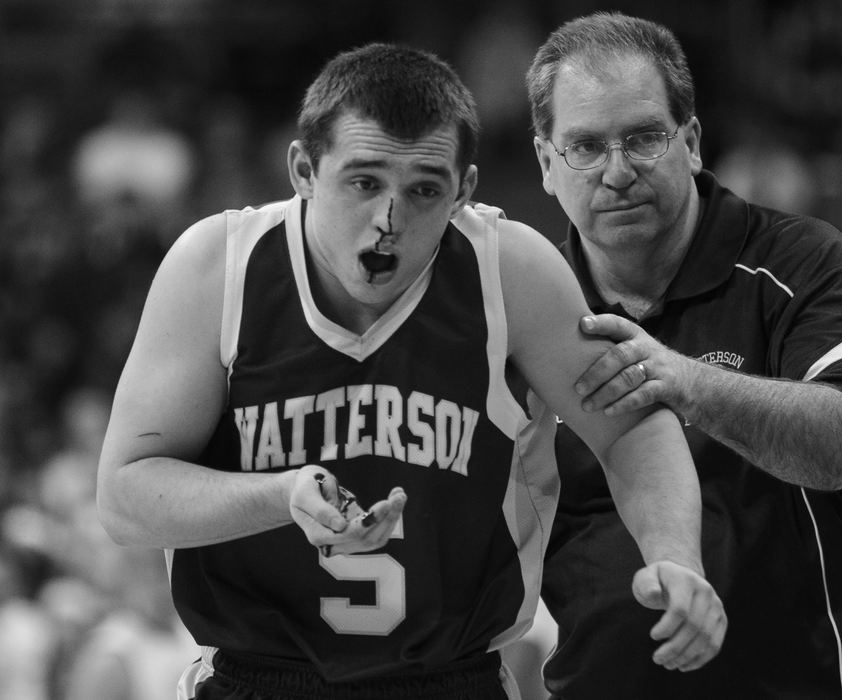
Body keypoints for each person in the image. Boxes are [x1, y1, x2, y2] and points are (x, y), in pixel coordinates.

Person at [95, 42, 726, 700]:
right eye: (364, 182)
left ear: (465, 190)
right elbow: (124, 501)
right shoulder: (216, 267)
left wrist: (675, 557)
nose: (388, 222)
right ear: (304, 169)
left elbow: (630, 427)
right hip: (256, 677)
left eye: (423, 190)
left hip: (453, 680)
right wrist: (277, 497)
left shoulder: (510, 272)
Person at [525, 12, 842, 699]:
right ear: (544, 163)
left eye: (644, 138)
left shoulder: (802, 263)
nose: (616, 171)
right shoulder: (531, 311)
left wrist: (684, 381)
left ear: (692, 142)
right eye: (585, 147)